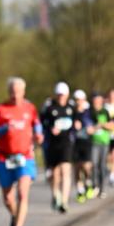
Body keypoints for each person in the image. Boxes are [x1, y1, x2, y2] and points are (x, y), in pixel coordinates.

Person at [0, 77, 43, 226]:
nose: (15, 95)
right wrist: (3, 129)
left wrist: (39, 134)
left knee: (23, 194)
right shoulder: (1, 110)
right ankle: (15, 215)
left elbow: (36, 123)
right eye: (12, 91)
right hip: (5, 158)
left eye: (18, 92)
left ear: (23, 92)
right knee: (8, 199)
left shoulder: (29, 108)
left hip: (25, 157)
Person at [40, 82, 76, 213]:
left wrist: (77, 125)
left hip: (67, 143)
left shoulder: (71, 108)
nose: (61, 97)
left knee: (66, 170)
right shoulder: (50, 108)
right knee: (55, 174)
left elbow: (77, 122)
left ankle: (65, 201)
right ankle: (56, 194)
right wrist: (50, 129)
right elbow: (42, 123)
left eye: (63, 95)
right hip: (53, 144)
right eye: (59, 95)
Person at [88, 92, 114, 197]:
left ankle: (102, 188)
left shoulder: (105, 112)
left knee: (102, 165)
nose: (97, 102)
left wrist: (102, 125)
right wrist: (96, 127)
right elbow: (89, 128)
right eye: (95, 100)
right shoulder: (90, 112)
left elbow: (112, 125)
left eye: (99, 100)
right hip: (94, 141)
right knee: (94, 164)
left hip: (104, 141)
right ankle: (95, 185)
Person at [72, 89, 96, 203]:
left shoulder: (89, 112)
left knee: (86, 167)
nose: (78, 102)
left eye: (80, 100)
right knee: (77, 168)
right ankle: (80, 191)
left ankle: (88, 183)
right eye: (76, 100)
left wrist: (92, 129)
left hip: (87, 142)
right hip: (75, 144)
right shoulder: (71, 112)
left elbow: (97, 124)